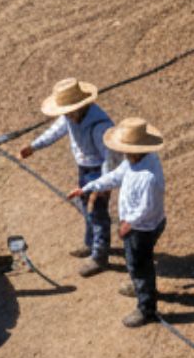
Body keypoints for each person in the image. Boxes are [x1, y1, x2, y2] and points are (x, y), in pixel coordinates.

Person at [69, 118, 167, 328]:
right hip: (145, 224)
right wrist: (88, 188)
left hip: (141, 228)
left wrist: (128, 224)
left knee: (139, 264)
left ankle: (146, 308)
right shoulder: (134, 162)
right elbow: (115, 176)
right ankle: (141, 288)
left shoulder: (148, 176)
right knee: (141, 262)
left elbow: (146, 207)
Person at [21, 78, 115, 277]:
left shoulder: (99, 125)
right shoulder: (70, 116)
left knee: (97, 212)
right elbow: (56, 130)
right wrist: (34, 146)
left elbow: (110, 157)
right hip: (85, 168)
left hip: (97, 171)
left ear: (79, 107)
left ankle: (100, 255)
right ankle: (92, 243)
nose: (65, 116)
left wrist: (103, 186)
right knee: (86, 208)